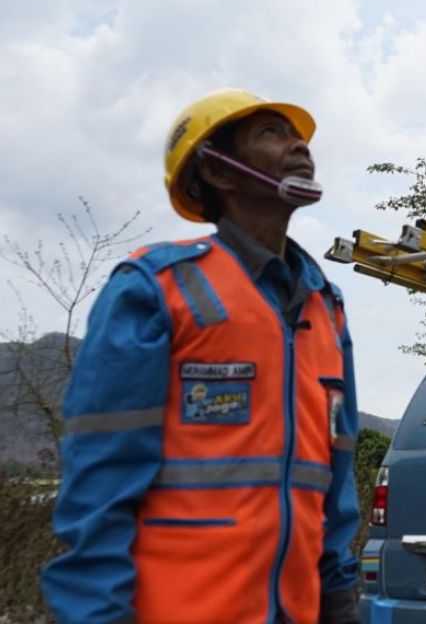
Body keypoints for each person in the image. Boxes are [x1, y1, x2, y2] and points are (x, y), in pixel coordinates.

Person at [42, 89, 360, 624]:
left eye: (299, 135)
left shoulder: (325, 306)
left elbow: (336, 477)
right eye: (271, 133)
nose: (300, 146)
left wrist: (338, 601)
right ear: (218, 171)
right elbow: (99, 487)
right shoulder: (156, 288)